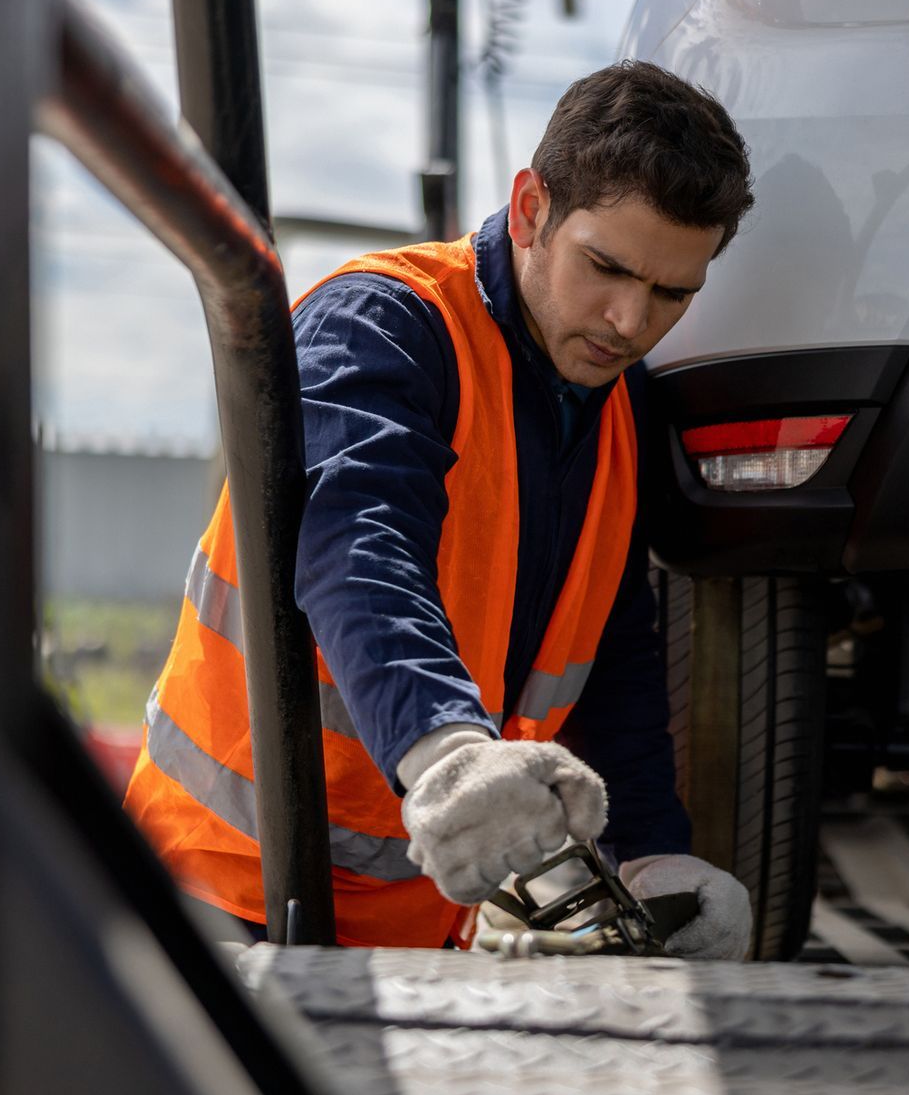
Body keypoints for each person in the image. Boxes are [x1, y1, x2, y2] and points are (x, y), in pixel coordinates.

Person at [126, 61, 756, 956]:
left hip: (412, 928)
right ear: (532, 207)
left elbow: (610, 648)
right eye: (606, 268)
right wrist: (447, 751)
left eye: (672, 294)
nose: (628, 320)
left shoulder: (620, 403)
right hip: (226, 895)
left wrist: (654, 856)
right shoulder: (382, 327)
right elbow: (358, 545)